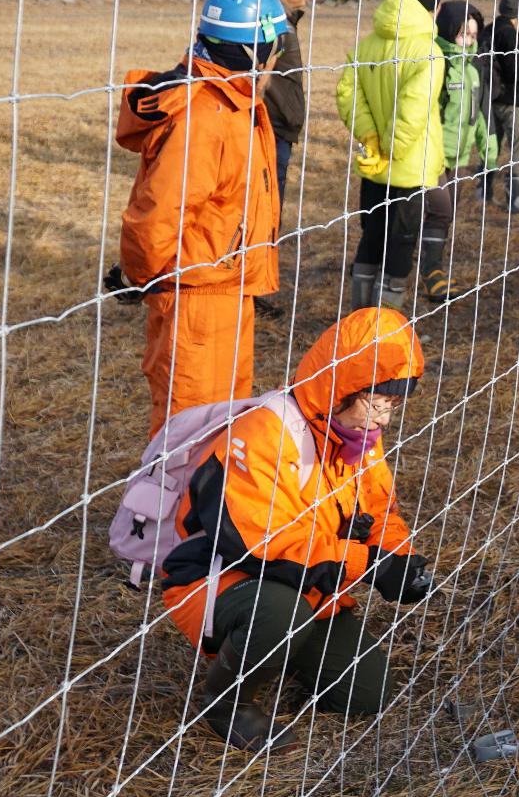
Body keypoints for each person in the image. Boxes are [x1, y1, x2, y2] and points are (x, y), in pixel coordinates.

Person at [159, 308, 434, 747]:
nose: (383, 419)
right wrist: (371, 565)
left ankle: (281, 648)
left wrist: (399, 559)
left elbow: (380, 511)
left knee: (367, 692)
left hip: (307, 585)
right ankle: (227, 701)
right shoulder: (264, 434)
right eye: (376, 402)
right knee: (280, 615)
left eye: (393, 406)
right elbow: (263, 545)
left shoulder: (355, 440)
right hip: (221, 577)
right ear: (341, 387)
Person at [117, 0, 288, 433]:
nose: (278, 61)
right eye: (277, 48)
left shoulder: (234, 104)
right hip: (197, 298)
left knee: (225, 426)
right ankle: (172, 507)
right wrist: (141, 275)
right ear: (255, 52)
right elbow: (158, 212)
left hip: (229, 289)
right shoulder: (203, 117)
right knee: (188, 433)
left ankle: (209, 506)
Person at [336, 0, 445, 311]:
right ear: (434, 9)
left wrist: (371, 138)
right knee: (400, 247)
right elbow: (414, 110)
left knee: (370, 239)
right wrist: (391, 148)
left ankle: (359, 316)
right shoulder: (429, 52)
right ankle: (384, 327)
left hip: (373, 167)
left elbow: (347, 95)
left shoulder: (365, 46)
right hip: (408, 170)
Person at [421, 1, 497, 302]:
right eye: (462, 33)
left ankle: (433, 267)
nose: (468, 40)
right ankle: (430, 271)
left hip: (460, 157)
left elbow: (480, 112)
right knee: (435, 211)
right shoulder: (437, 62)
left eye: (473, 34)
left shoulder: (473, 68)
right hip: (434, 156)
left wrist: (488, 151)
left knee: (445, 214)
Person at [260, 0, 314, 196]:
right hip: (270, 131)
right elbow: (259, 79)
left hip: (276, 129)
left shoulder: (278, 18)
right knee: (267, 205)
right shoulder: (273, 24)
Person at [481, 0, 519, 214]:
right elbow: (513, 71)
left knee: (492, 143)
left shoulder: (488, 30)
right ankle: (514, 199)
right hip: (508, 98)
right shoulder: (510, 33)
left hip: (488, 96)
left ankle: (482, 191)